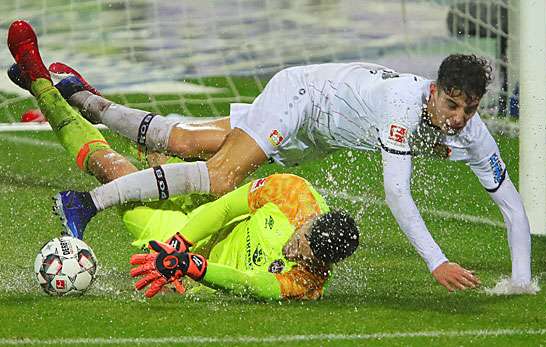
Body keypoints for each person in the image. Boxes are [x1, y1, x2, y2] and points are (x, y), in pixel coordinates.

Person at [9, 19, 532, 293]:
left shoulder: (474, 136)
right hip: (302, 98)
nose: (458, 118)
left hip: (315, 136)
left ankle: (77, 93)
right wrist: (436, 261)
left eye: (468, 109)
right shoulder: (403, 107)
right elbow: (397, 191)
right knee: (219, 177)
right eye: (452, 104)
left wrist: (522, 279)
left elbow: (512, 206)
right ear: (436, 90)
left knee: (183, 143)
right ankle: (88, 204)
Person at [6, 20, 360, 300]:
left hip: (185, 265)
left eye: (307, 258)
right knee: (172, 149)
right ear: (309, 222)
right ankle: (82, 98)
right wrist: (182, 242)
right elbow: (224, 208)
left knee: (112, 169)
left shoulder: (305, 282)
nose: (295, 253)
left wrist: (190, 264)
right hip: (206, 215)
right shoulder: (293, 194)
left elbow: (250, 285)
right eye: (300, 242)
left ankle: (42, 85)